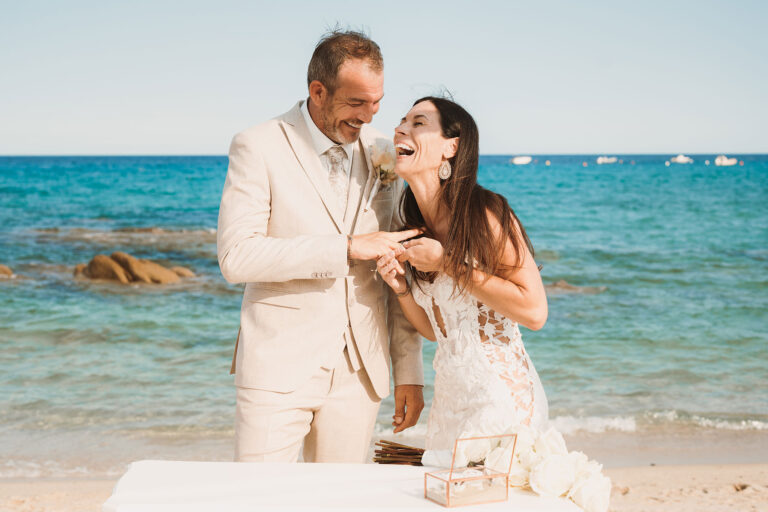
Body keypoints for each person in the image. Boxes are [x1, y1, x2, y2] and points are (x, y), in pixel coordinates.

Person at [217, 30, 424, 464]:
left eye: (377, 102)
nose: (369, 116)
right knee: (258, 500)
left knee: (341, 502)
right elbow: (237, 256)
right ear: (317, 90)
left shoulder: (384, 152)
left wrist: (410, 373)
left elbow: (397, 271)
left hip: (360, 373)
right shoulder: (258, 145)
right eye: (356, 103)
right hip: (277, 367)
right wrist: (346, 247)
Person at [376, 96, 549, 452]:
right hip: (450, 404)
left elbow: (534, 312)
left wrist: (447, 263)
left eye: (418, 122)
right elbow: (438, 331)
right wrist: (401, 289)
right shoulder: (414, 227)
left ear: (451, 147)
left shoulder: (485, 212)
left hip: (500, 398)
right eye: (402, 121)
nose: (400, 129)